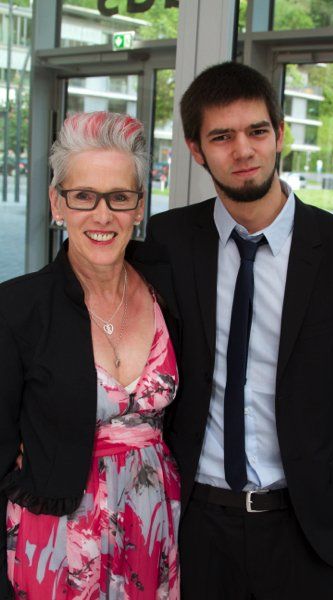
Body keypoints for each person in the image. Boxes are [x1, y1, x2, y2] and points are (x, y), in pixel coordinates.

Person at [133, 62, 333, 600]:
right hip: (195, 521)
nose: (243, 150)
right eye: (221, 137)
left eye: (256, 131)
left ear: (280, 134)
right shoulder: (169, 239)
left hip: (303, 525)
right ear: (196, 149)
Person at [0, 112, 180, 599]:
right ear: (57, 203)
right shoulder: (17, 308)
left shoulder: (168, 289)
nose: (103, 216)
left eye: (119, 197)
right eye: (83, 196)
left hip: (154, 526)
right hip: (57, 538)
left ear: (138, 207)